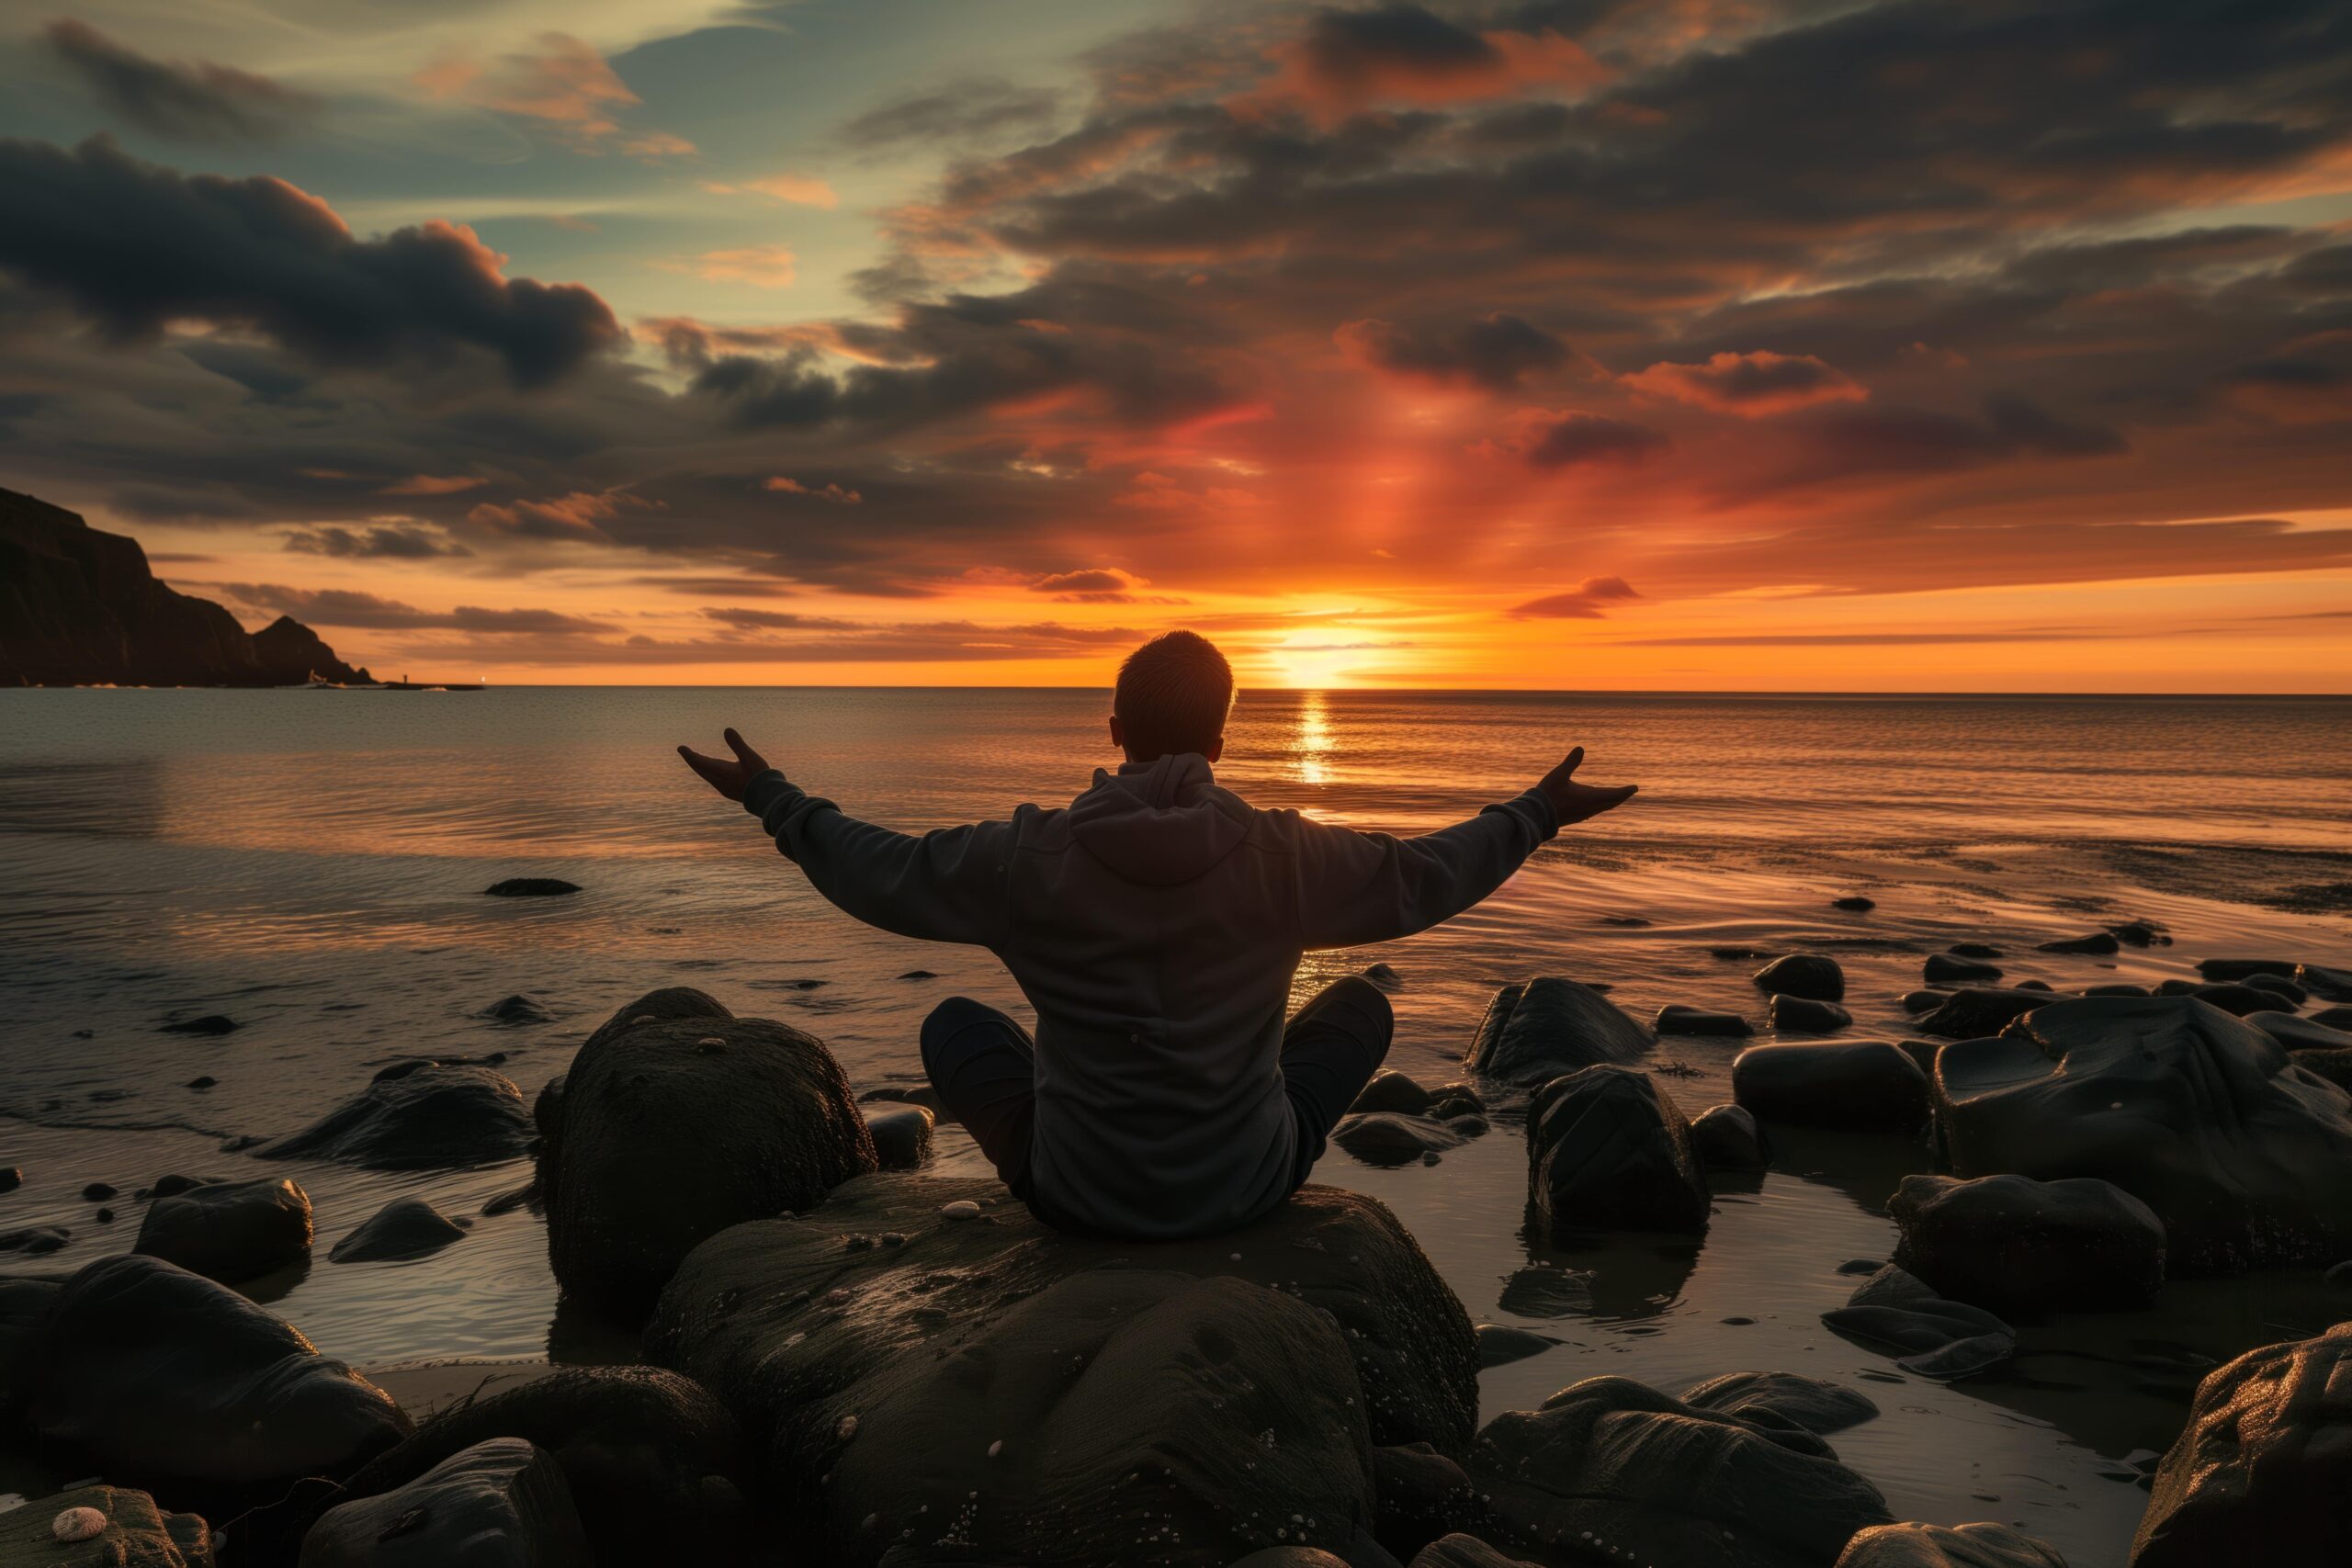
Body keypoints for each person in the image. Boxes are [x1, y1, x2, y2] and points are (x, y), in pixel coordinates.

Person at [679, 630, 1637, 1240]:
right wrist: (1534, 814)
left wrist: (770, 796)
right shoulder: (1282, 858)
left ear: (1112, 729)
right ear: (1220, 742)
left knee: (954, 1026)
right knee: (1359, 1008)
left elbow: (873, 868)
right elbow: (1428, 874)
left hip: (1079, 1197)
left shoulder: (1025, 858)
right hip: (1244, 1187)